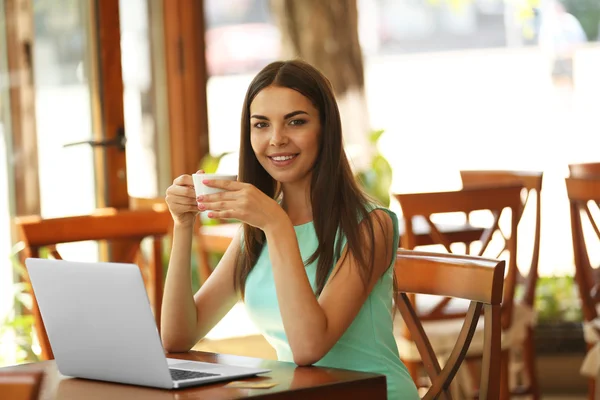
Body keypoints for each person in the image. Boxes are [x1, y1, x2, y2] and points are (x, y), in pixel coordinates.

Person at [161, 59, 419, 399]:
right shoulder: (260, 227)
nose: (276, 139)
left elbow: (309, 347)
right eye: (261, 125)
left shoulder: (372, 226)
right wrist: (183, 225)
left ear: (326, 128)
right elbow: (178, 337)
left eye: (296, 122)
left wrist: (276, 224)